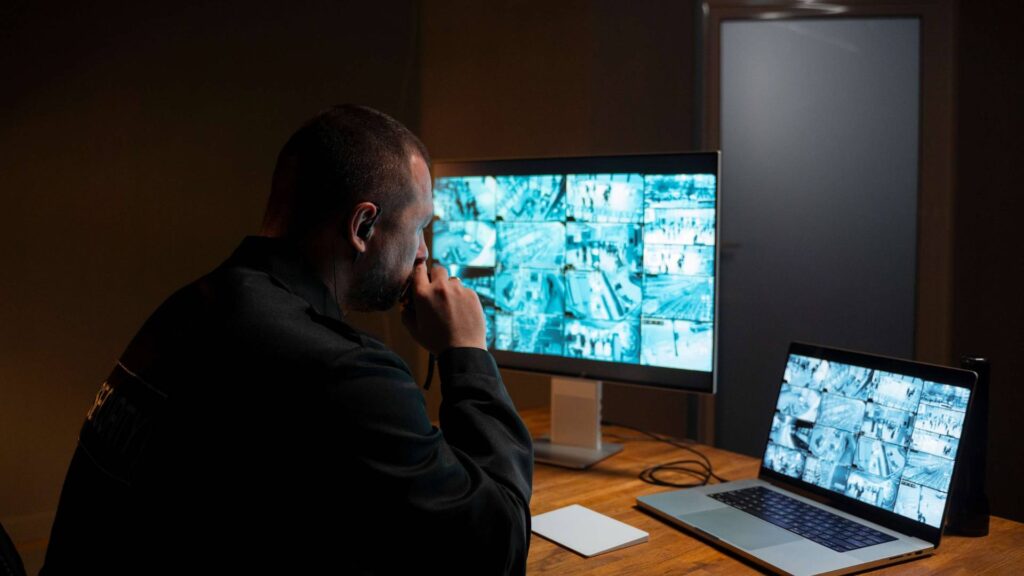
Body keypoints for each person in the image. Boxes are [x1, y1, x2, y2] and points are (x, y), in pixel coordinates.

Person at [41, 105, 533, 575]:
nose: (423, 252)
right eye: (420, 227)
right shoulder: (341, 372)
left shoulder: (193, 307)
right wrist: (466, 352)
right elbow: (497, 549)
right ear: (363, 226)